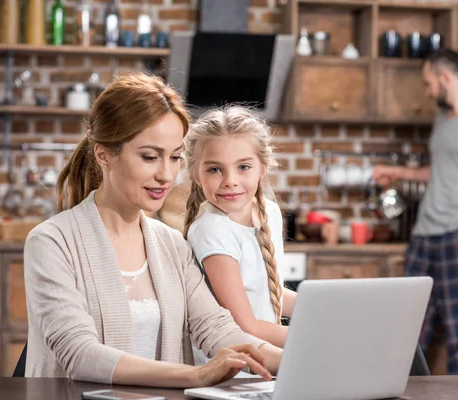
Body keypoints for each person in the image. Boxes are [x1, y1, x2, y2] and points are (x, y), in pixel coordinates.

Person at [23, 73, 282, 388]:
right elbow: (80, 354)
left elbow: (218, 329)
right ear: (104, 155)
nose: (166, 175)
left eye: (174, 158)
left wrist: (306, 358)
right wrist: (198, 375)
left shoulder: (171, 245)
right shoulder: (52, 242)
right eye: (149, 157)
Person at [373, 49, 458, 375]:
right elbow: (441, 171)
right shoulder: (443, 118)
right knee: (409, 325)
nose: (428, 91)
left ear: (445, 77)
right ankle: (396, 390)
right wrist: (401, 174)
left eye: (428, 83)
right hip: (424, 235)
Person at [182, 105, 296, 363]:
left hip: (262, 361)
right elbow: (245, 325)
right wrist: (313, 334)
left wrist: (324, 310)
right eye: (214, 169)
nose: (230, 180)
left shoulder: (270, 213)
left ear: (263, 167)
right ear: (195, 174)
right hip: (230, 369)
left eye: (243, 167)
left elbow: (267, 292)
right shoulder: (213, 229)